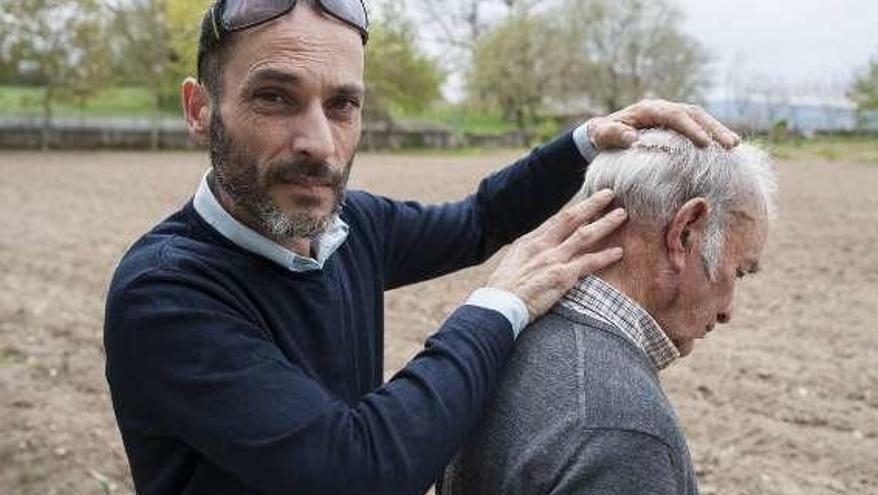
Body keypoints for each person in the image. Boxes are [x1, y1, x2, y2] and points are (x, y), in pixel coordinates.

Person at [103, 1, 741, 494]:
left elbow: (478, 221)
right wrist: (499, 303)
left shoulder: (350, 228)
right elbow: (358, 472)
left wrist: (589, 139)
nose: (318, 142)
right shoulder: (166, 294)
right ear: (199, 109)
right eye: (275, 97)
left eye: (342, 104)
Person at [441, 129, 777, 495]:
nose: (729, 310)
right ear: (684, 234)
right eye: (739, 271)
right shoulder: (624, 431)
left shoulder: (504, 342)